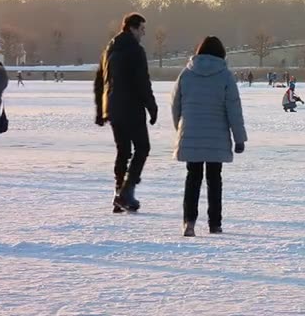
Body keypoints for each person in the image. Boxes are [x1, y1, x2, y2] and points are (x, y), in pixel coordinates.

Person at [172, 36, 247, 237]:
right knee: (214, 179)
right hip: (217, 136)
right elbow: (234, 109)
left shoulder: (186, 74)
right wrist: (239, 138)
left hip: (191, 133)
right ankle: (215, 224)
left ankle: (189, 222)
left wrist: (180, 130)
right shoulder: (225, 76)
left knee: (192, 178)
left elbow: (175, 105)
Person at [95, 13, 158, 213]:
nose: (143, 34)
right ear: (132, 28)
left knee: (123, 150)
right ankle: (126, 191)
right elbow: (142, 80)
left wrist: (101, 110)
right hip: (131, 107)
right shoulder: (135, 50)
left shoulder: (109, 49)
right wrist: (152, 106)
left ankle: (118, 194)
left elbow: (100, 81)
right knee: (142, 147)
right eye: (142, 29)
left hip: (113, 108)